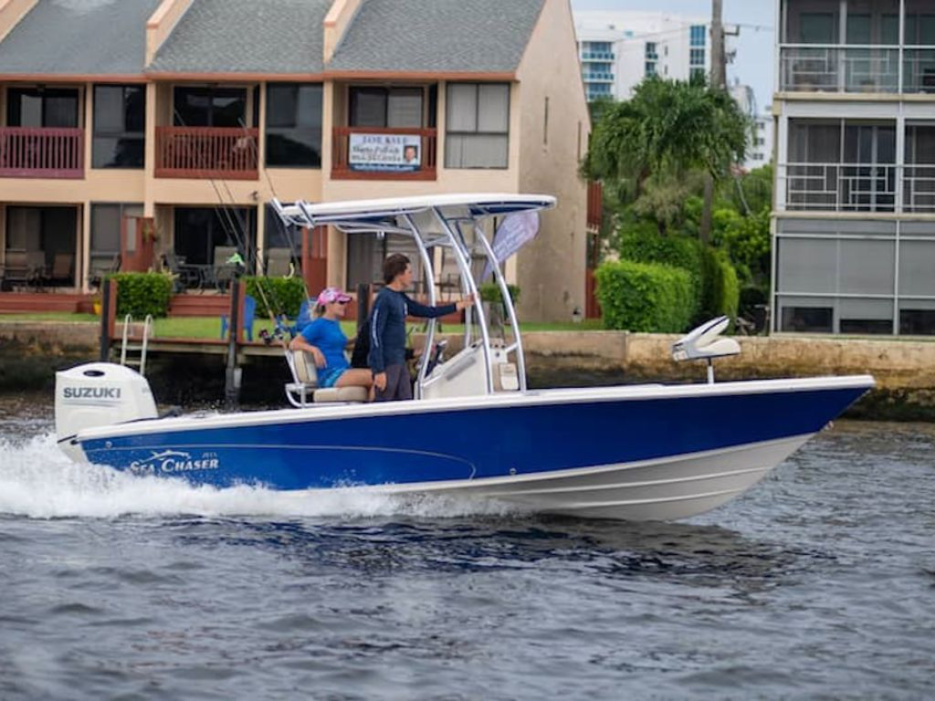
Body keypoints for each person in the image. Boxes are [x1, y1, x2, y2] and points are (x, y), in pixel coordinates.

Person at [368, 253, 474, 401]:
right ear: (399, 274)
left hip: (399, 361)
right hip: (388, 363)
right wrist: (379, 370)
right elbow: (374, 333)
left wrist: (460, 305)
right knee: (384, 403)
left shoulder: (401, 298)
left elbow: (427, 312)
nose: (411, 276)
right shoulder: (384, 298)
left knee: (406, 401)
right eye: (409, 272)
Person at [289, 287, 373, 394]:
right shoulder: (318, 325)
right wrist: (314, 350)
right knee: (376, 377)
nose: (345, 306)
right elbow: (294, 343)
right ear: (328, 304)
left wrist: (359, 336)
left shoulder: (335, 324)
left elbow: (338, 343)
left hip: (344, 370)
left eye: (345, 303)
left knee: (380, 380)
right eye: (341, 302)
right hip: (330, 374)